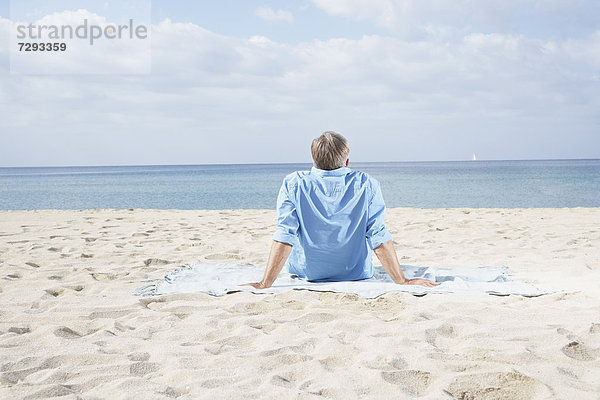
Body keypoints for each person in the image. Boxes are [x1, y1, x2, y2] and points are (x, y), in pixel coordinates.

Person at [242, 131, 439, 289]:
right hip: (355, 273)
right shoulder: (367, 184)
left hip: (308, 273)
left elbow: (285, 235)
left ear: (314, 160)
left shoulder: (294, 183)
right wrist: (401, 280)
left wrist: (265, 283)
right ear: (346, 161)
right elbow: (378, 235)